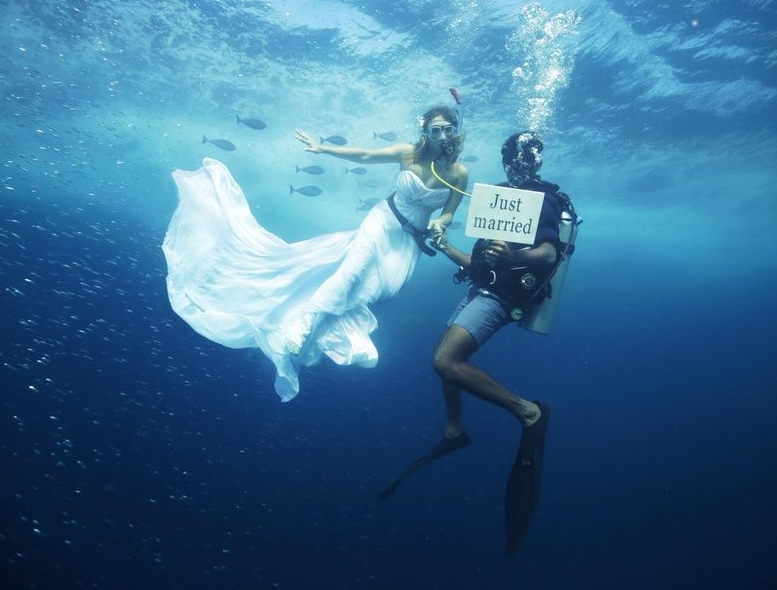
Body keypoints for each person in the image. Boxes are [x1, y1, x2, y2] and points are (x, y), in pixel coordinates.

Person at [162, 105, 469, 402]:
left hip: (407, 242)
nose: (442, 134)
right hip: (381, 222)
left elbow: (448, 213)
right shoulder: (407, 154)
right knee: (351, 271)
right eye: (435, 129)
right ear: (425, 131)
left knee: (377, 291)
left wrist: (440, 225)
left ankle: (331, 332)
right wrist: (323, 149)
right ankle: (303, 325)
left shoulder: (457, 172)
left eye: (448, 129)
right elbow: (364, 154)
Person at [380, 131, 568, 556]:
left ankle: (529, 412)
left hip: (506, 298)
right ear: (506, 160)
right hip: (482, 290)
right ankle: (455, 429)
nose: (520, 163)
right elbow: (482, 264)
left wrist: (514, 258)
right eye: (513, 156)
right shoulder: (498, 198)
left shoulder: (545, 201)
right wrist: (447, 247)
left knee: (446, 362)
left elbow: (546, 256)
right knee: (449, 355)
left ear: (536, 161)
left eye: (527, 156)